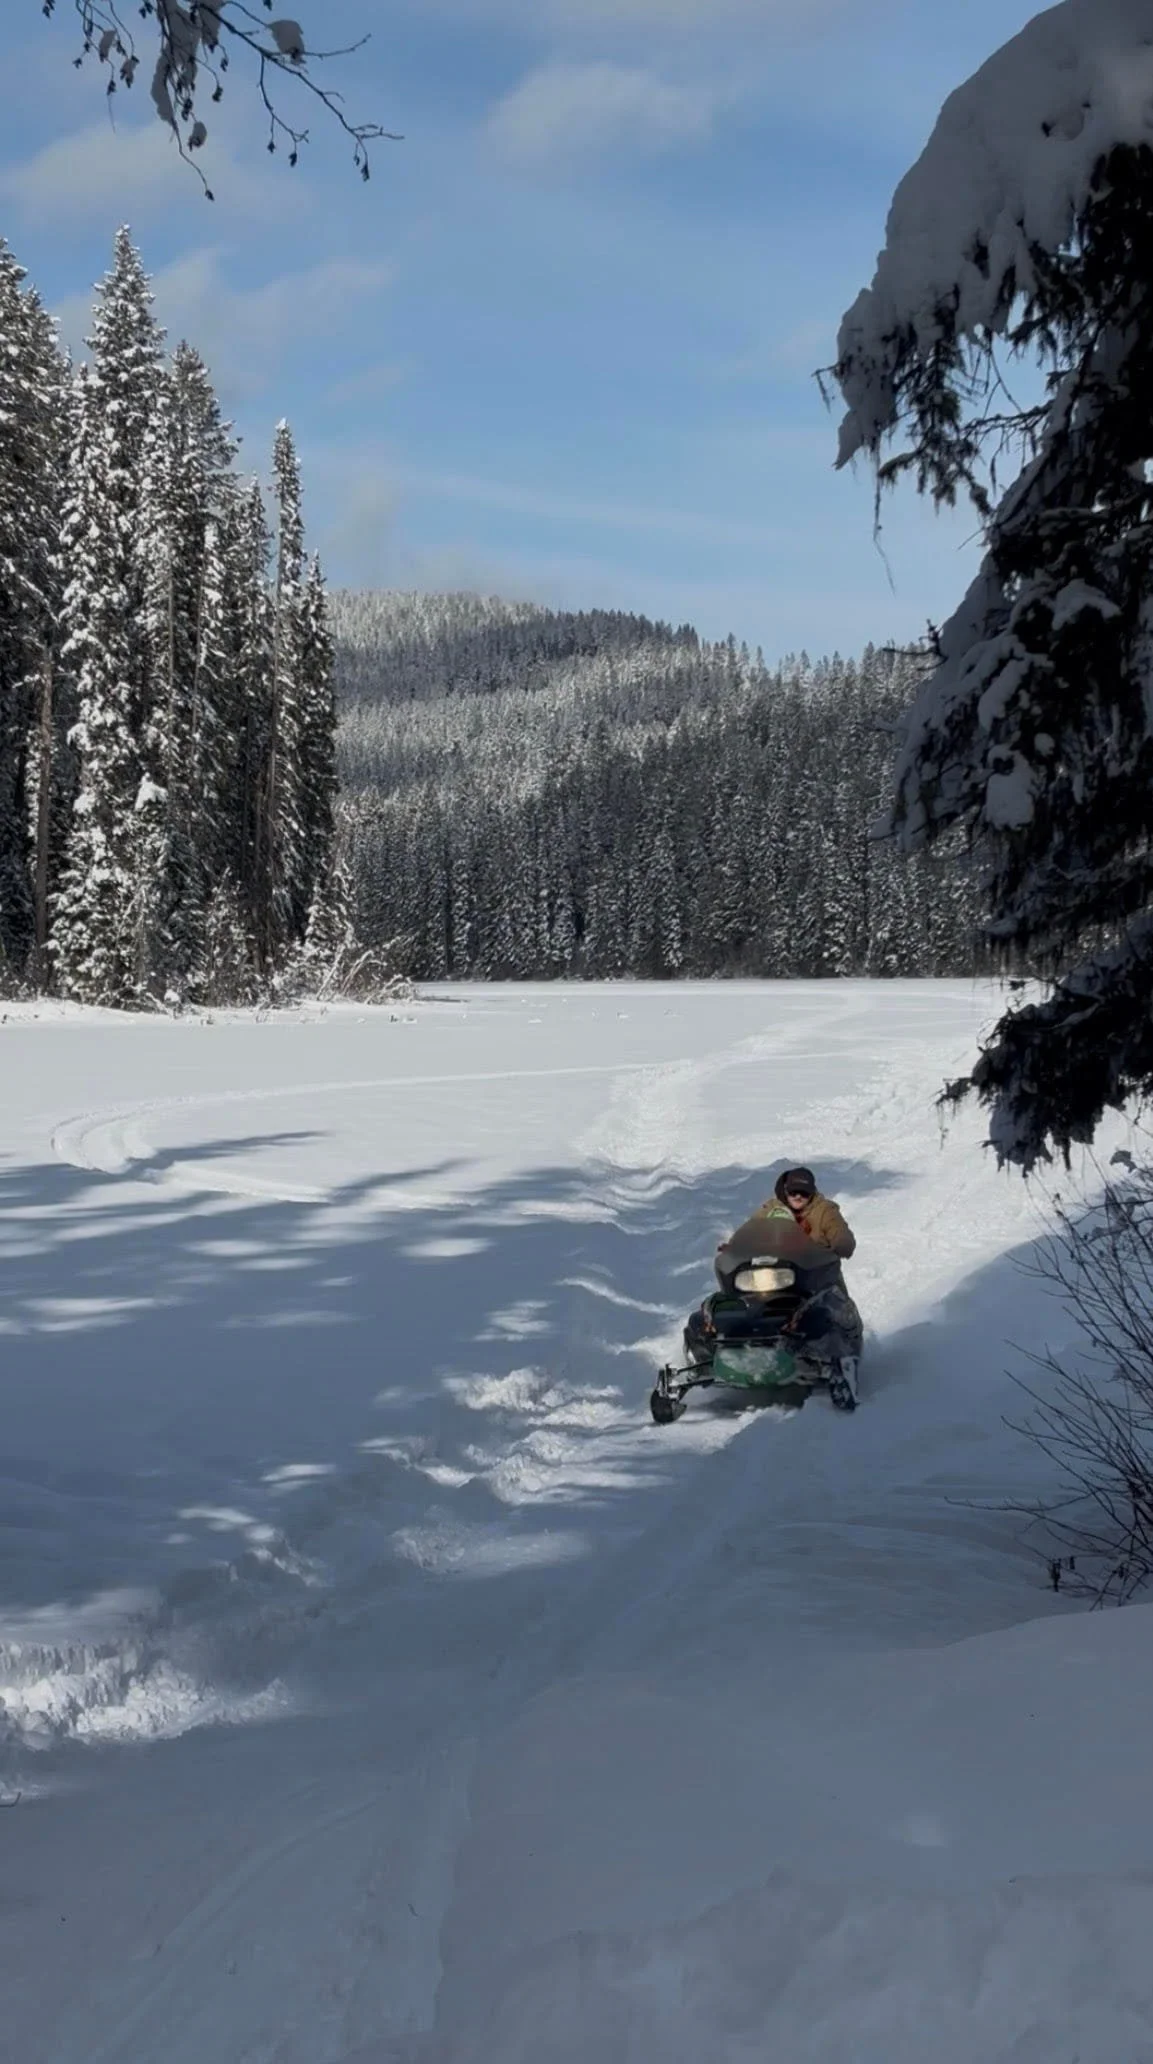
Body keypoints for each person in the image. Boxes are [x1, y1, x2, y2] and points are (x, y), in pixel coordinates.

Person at [757, 1166, 855, 1260]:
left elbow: (837, 1228)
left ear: (812, 1193)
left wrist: (842, 1242)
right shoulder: (772, 1208)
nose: (798, 1197)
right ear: (786, 1190)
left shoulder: (824, 1210)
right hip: (777, 1268)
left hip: (817, 1269)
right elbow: (753, 1227)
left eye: (804, 1193)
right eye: (793, 1191)